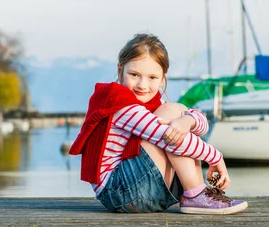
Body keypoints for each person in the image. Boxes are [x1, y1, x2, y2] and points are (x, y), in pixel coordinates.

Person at [69, 33, 248, 215]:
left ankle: (196, 194)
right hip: (120, 191)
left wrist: (189, 120)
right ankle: (196, 195)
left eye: (152, 77)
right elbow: (166, 137)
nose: (142, 84)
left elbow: (202, 124)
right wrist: (216, 157)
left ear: (163, 78)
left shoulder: (155, 104)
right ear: (120, 70)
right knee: (172, 118)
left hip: (143, 190)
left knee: (177, 115)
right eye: (134, 75)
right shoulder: (118, 102)